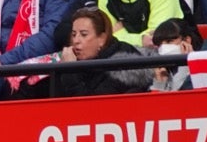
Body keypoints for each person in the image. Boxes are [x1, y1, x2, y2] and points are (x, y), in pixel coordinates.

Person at [14, 7, 153, 100]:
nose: (76, 41)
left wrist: (69, 71)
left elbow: (87, 110)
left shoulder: (123, 64)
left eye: (84, 35)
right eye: (74, 34)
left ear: (102, 39)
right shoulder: (73, 59)